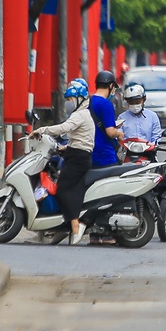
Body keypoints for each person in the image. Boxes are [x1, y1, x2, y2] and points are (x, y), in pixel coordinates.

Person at [30, 79, 95, 245]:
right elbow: (80, 139)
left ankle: (75, 225)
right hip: (78, 155)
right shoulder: (83, 114)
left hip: (77, 158)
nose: (68, 103)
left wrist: (41, 130)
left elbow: (62, 129)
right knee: (75, 192)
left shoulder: (80, 115)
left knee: (63, 190)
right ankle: (66, 226)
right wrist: (64, 148)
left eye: (70, 100)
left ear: (79, 99)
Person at [89, 71, 124, 169]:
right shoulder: (106, 104)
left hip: (90, 153)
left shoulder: (88, 102)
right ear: (111, 85)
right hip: (105, 155)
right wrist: (119, 133)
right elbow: (110, 132)